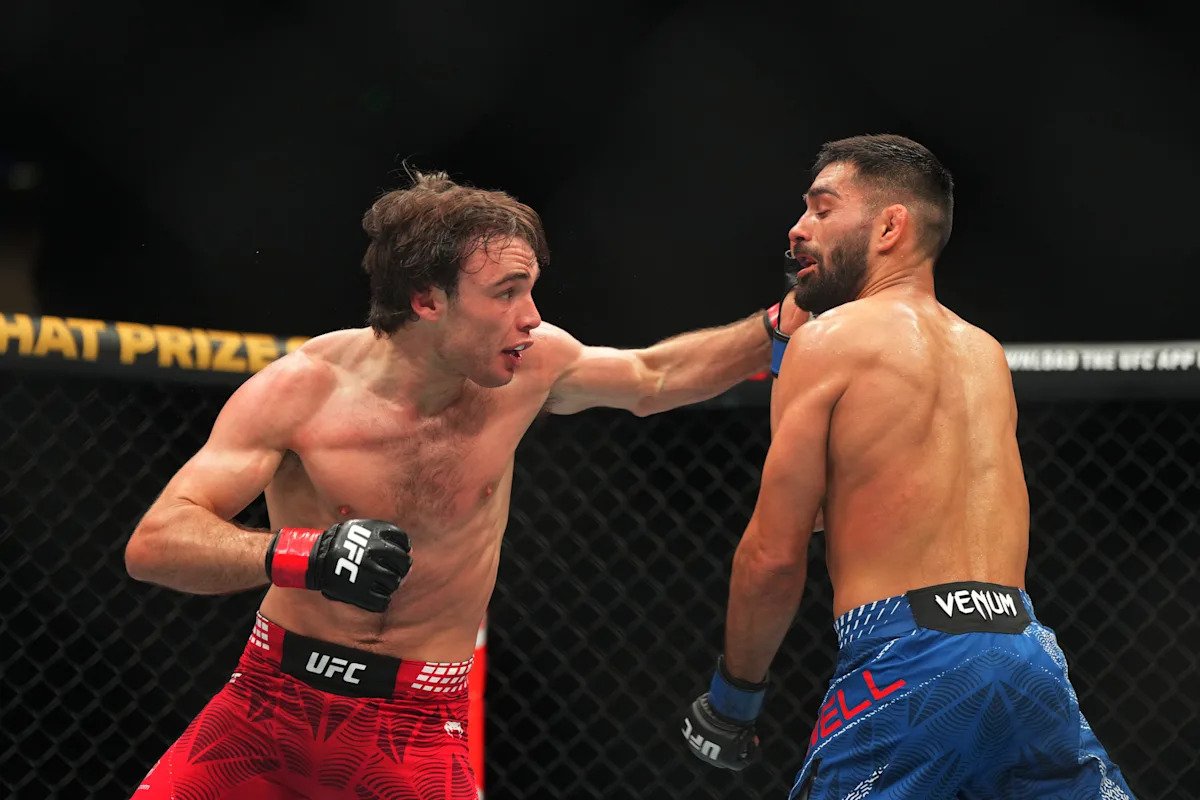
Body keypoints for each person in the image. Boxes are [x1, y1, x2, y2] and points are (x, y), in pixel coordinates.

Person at [123, 169, 802, 799]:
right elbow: (156, 544)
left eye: (530, 289)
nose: (531, 316)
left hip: (418, 725)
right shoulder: (301, 391)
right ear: (426, 300)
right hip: (269, 705)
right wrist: (305, 555)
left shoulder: (533, 366)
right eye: (506, 292)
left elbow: (655, 377)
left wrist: (781, 322)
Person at [681, 134, 1137, 799]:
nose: (798, 228)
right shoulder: (985, 353)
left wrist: (734, 699)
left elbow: (773, 555)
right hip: (1026, 652)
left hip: (910, 654)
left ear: (890, 226)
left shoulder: (828, 340)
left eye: (822, 209)